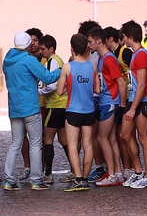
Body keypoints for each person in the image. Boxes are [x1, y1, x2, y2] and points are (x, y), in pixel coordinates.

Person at [2, 31, 61, 191]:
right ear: (28, 44)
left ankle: (8, 180)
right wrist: (62, 69)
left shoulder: (7, 60)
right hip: (31, 108)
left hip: (14, 107)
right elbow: (48, 78)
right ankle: (36, 180)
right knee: (35, 144)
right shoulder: (28, 60)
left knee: (15, 143)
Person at [57, 33, 100, 192]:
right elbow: (97, 89)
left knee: (73, 146)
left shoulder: (68, 67)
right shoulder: (92, 66)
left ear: (72, 48)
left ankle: (78, 178)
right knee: (88, 145)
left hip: (73, 110)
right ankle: (85, 180)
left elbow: (60, 91)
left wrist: (69, 85)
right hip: (89, 110)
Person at [86, 27, 127, 187]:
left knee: (101, 138)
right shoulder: (103, 58)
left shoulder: (108, 59)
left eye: (90, 42)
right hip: (107, 101)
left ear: (98, 41)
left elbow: (121, 83)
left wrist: (121, 105)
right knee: (110, 139)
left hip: (109, 102)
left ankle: (111, 174)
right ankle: (117, 173)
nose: (88, 45)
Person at [119, 20, 147, 188]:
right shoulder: (135, 54)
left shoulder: (141, 55)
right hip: (134, 99)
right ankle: (138, 171)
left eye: (124, 37)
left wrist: (133, 108)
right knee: (125, 135)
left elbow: (142, 85)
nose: (123, 40)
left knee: (143, 137)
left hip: (143, 100)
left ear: (131, 37)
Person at [76, 20, 107, 184]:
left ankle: (101, 167)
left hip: (94, 100)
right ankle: (103, 167)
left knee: (95, 137)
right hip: (94, 99)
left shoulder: (94, 57)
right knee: (95, 137)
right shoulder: (94, 55)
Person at [104, 26, 136, 180]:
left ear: (110, 39)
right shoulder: (110, 55)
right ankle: (127, 168)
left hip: (129, 99)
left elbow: (133, 75)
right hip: (119, 99)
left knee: (127, 135)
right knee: (119, 136)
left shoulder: (125, 53)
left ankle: (133, 168)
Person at [37, 34, 69, 184]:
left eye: (43, 49)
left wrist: (39, 92)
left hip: (55, 105)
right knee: (63, 139)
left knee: (47, 138)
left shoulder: (52, 62)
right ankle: (75, 171)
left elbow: (51, 85)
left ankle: (48, 174)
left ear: (51, 48)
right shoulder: (58, 60)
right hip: (62, 105)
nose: (41, 52)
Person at [18, 27, 45, 181]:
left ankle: (40, 169)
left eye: (35, 40)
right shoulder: (24, 59)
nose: (33, 43)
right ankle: (28, 167)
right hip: (28, 104)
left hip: (43, 103)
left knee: (40, 139)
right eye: (31, 40)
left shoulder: (45, 59)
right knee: (23, 138)